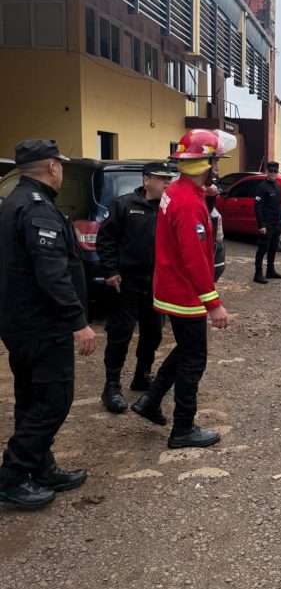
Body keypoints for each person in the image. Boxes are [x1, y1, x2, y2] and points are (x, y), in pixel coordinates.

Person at [0, 139, 96, 509]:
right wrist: (77, 320)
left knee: (31, 396)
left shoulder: (14, 201)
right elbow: (52, 274)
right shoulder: (38, 210)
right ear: (52, 167)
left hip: (20, 322)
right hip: (42, 325)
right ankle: (11, 476)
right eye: (61, 166)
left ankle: (40, 467)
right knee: (55, 399)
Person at [131, 129, 232, 449]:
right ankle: (183, 428)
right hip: (185, 291)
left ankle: (151, 401)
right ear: (206, 163)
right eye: (215, 160)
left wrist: (208, 194)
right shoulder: (188, 202)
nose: (217, 166)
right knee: (195, 357)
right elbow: (194, 258)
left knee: (185, 348)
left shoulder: (177, 190)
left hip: (171, 287)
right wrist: (213, 302)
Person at [96, 162, 173, 414]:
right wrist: (110, 271)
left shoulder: (167, 207)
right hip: (126, 283)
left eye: (167, 178)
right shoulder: (124, 205)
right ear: (147, 180)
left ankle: (142, 375)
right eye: (161, 178)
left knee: (153, 333)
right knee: (121, 334)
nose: (166, 183)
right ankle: (111, 386)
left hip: (155, 284)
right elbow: (106, 239)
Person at [253, 161, 281, 283]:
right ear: (267, 172)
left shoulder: (278, 186)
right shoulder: (262, 187)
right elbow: (258, 207)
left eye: (275, 171)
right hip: (267, 224)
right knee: (263, 249)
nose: (273, 173)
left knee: (273, 248)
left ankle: (270, 271)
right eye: (271, 171)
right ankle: (258, 274)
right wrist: (261, 224)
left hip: (277, 223)